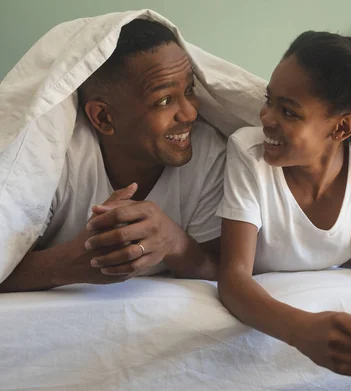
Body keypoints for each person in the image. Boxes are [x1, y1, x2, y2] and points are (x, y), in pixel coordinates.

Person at [217, 31, 351, 379]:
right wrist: (303, 331)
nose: (266, 118)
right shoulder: (248, 153)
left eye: (288, 111)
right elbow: (232, 278)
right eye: (269, 100)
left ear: (342, 128)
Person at [0, 19, 224, 293]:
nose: (189, 113)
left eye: (189, 90)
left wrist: (175, 243)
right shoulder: (51, 160)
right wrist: (72, 262)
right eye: (164, 100)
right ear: (104, 117)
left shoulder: (209, 153)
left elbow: (225, 269)